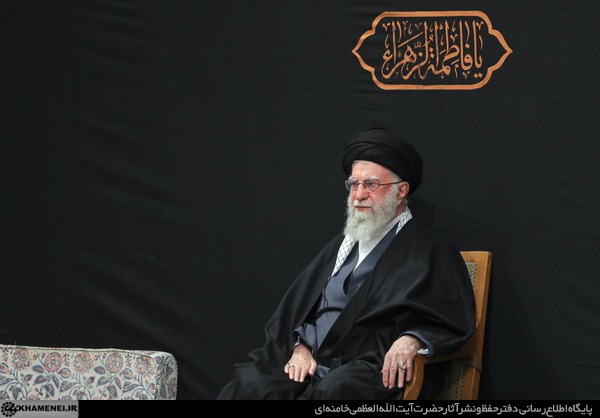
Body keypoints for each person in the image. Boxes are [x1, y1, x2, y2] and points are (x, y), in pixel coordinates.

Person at [217, 127, 476, 400]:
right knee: (250, 384)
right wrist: (300, 347)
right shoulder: (341, 246)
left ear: (401, 191)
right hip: (312, 364)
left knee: (335, 390)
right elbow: (298, 313)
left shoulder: (429, 251)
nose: (358, 194)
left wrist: (412, 340)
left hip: (369, 370)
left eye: (371, 185)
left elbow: (451, 321)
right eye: (354, 184)